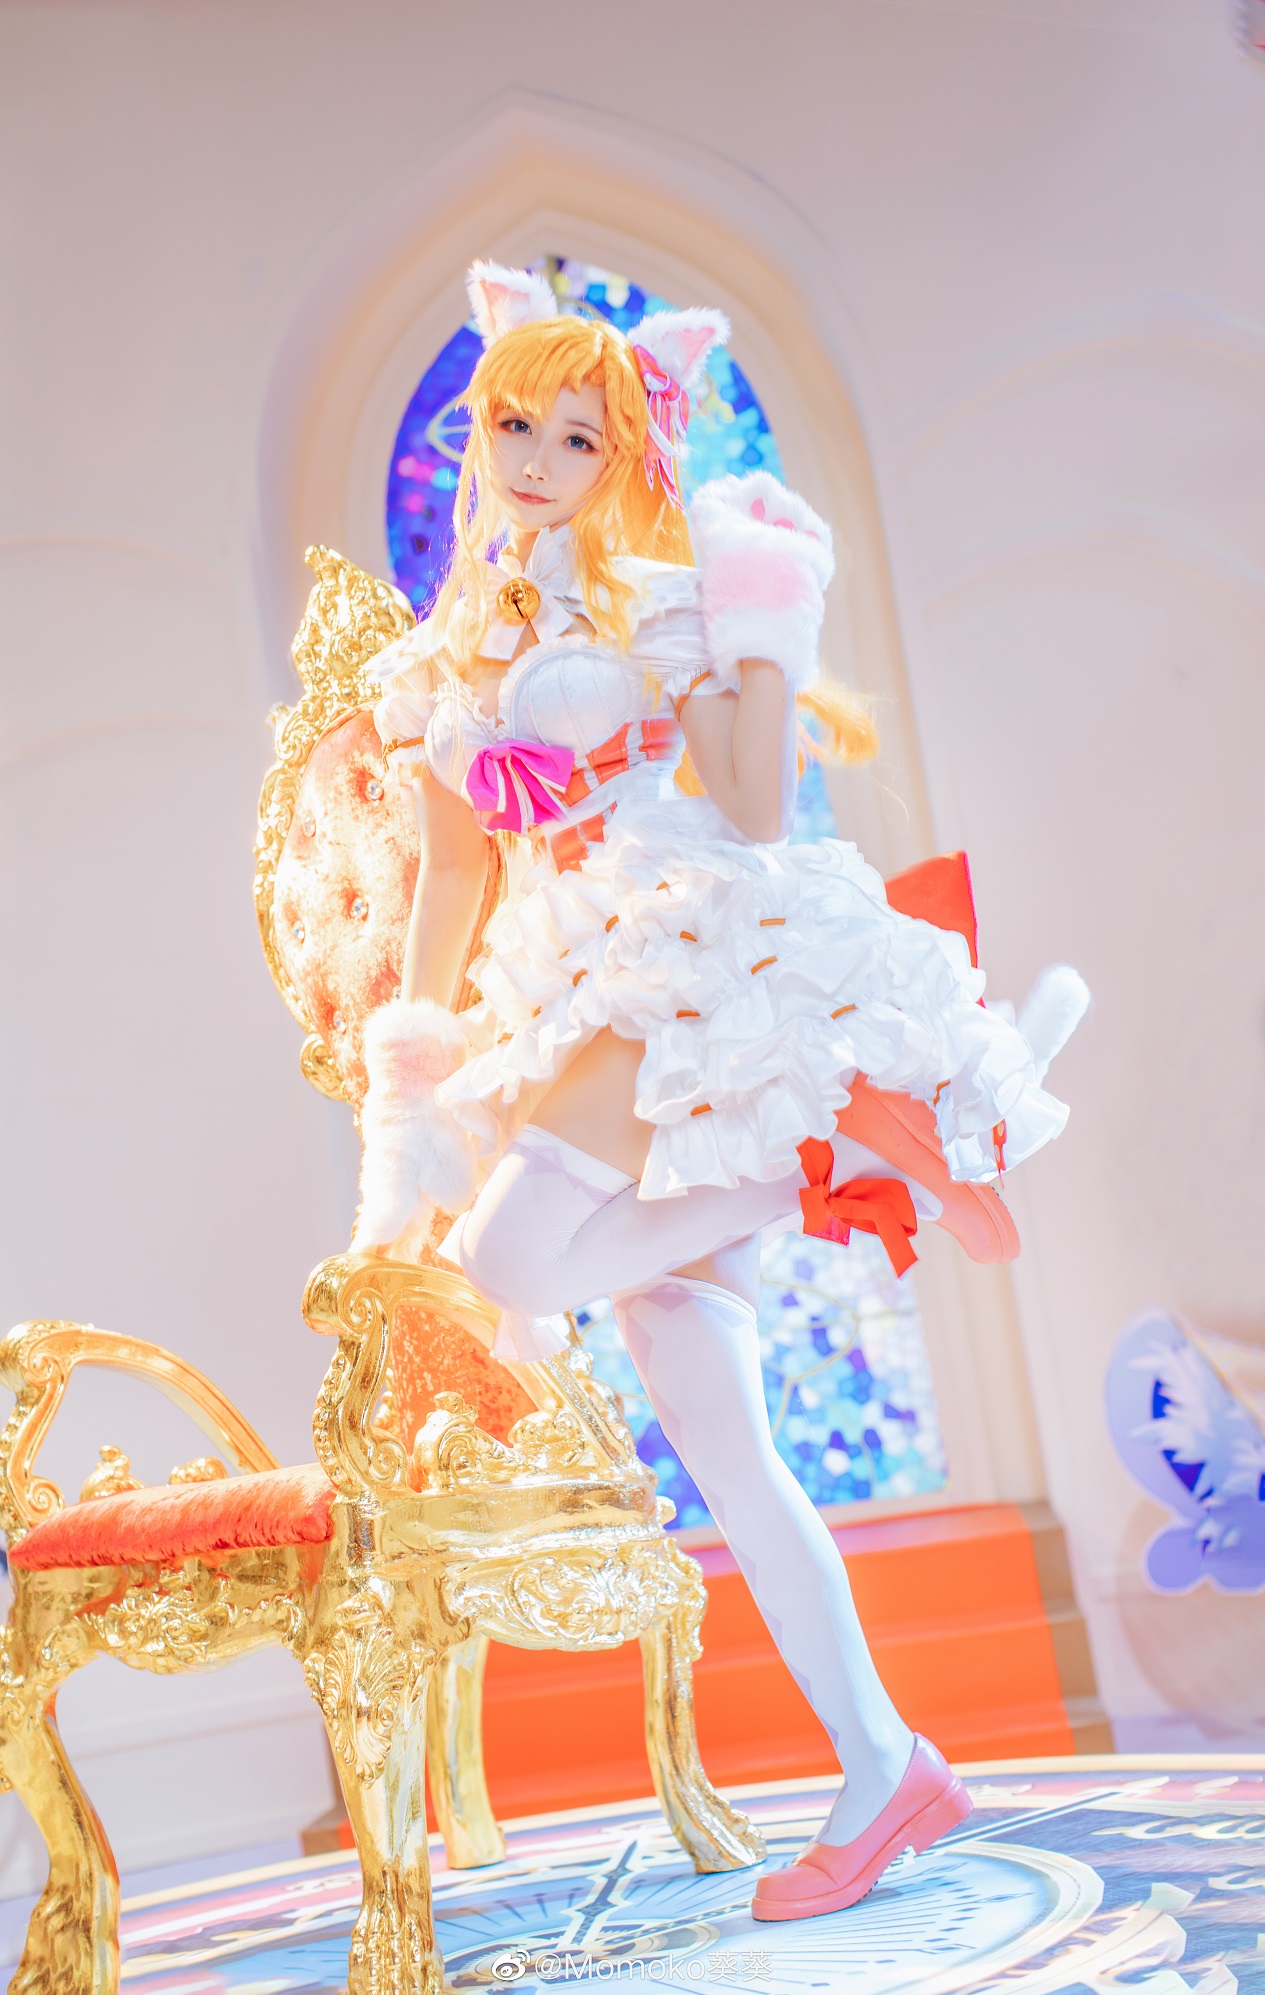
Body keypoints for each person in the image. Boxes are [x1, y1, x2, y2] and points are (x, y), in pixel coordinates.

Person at [356, 261, 1087, 1920]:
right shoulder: (457, 649)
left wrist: (765, 626)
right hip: (569, 990)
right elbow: (454, 875)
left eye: (576, 435)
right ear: (479, 433)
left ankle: (832, 1146)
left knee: (504, 1265)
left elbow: (756, 806)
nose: (536, 459)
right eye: (514, 425)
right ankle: (888, 1766)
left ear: (624, 454)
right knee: (728, 1448)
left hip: (688, 959)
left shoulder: (660, 597)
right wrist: (411, 1058)